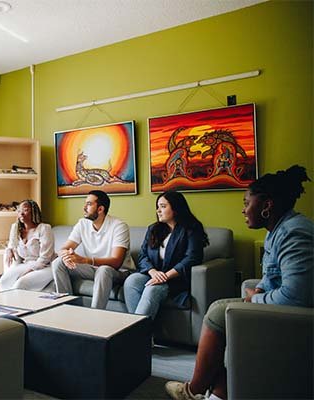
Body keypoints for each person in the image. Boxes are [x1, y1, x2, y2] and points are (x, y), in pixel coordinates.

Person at [165, 165, 313, 400]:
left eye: (246, 203)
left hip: (296, 321)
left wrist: (255, 298)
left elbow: (296, 296)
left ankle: (193, 391)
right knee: (221, 312)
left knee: (217, 312)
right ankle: (218, 394)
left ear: (267, 205)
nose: (243, 210)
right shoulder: (276, 230)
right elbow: (272, 273)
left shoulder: (294, 233)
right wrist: (262, 288)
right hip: (283, 310)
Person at [124, 191, 209, 320]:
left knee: (152, 289)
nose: (158, 210)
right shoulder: (153, 229)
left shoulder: (191, 228)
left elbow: (192, 258)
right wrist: (152, 272)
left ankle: (136, 335)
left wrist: (165, 276)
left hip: (175, 281)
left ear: (175, 208)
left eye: (163, 206)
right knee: (132, 281)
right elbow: (143, 255)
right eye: (158, 207)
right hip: (153, 276)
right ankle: (141, 331)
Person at [52, 190, 134, 309]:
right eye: (85, 203)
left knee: (103, 270)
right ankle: (67, 308)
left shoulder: (119, 226)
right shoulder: (82, 224)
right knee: (58, 263)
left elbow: (116, 262)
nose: (84, 207)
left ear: (100, 209)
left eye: (89, 204)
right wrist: (65, 255)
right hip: (93, 269)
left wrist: (85, 260)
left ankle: (95, 313)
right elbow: (63, 248)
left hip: (119, 272)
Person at [0, 199, 55, 291]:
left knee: (20, 284)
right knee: (3, 282)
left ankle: (20, 305)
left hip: (45, 266)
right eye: (19, 211)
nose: (21, 213)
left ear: (34, 212)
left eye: (25, 210)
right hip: (26, 264)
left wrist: (29, 271)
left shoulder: (44, 228)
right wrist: (9, 250)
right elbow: (12, 244)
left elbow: (45, 258)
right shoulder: (15, 228)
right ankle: (8, 305)